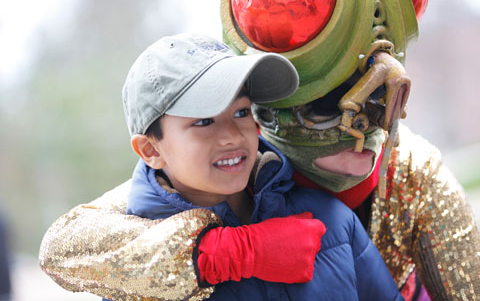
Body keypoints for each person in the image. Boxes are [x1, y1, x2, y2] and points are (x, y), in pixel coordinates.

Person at [39, 0, 480, 300]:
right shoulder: (180, 194)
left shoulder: (406, 172)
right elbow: (62, 248)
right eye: (324, 111)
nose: (361, 139)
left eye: (241, 113)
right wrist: (225, 254)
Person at [41, 33, 404, 301]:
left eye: (242, 112)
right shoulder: (132, 275)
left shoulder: (329, 221)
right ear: (151, 150)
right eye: (203, 121)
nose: (233, 135)